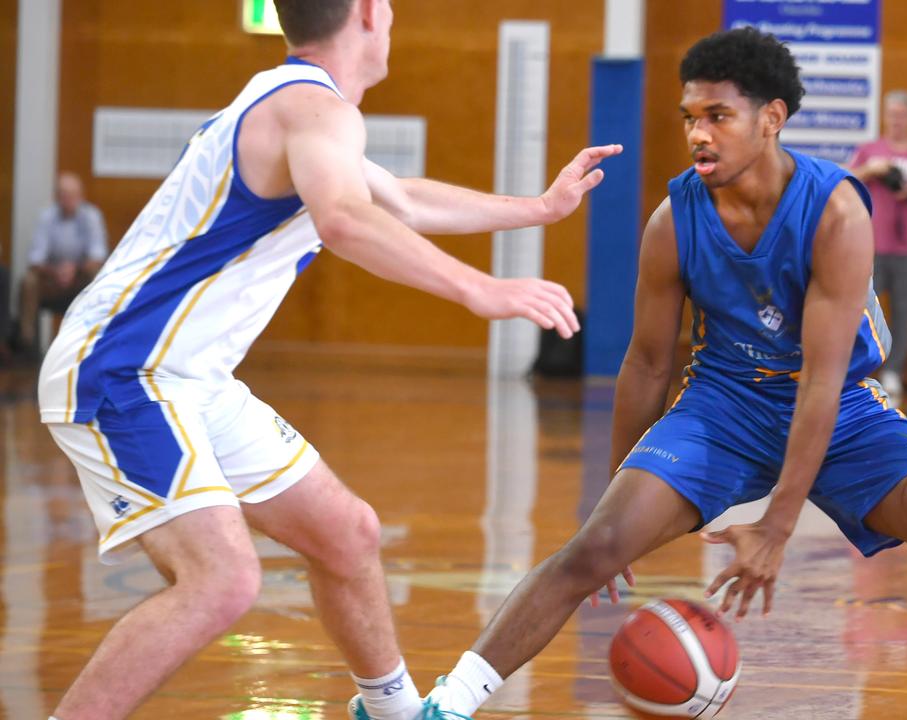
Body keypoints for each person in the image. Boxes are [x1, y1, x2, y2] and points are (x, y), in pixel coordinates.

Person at [35, 1, 619, 719]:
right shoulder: (313, 108)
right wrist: (480, 289)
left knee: (348, 534)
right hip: (125, 367)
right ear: (371, 12)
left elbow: (400, 198)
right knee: (221, 581)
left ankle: (394, 710)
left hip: (188, 378)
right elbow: (345, 220)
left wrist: (536, 208)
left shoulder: (301, 104)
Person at [425, 28, 907, 720]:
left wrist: (776, 526)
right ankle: (444, 704)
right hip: (723, 403)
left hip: (837, 405)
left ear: (771, 119)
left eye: (717, 117)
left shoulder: (837, 213)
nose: (698, 135)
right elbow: (648, 362)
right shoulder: (672, 222)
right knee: (596, 547)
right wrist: (617, 501)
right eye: (689, 118)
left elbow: (822, 382)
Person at [850, 90, 907, 406]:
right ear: (884, 115)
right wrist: (872, 170)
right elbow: (846, 179)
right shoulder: (869, 151)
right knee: (861, 307)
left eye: (902, 114)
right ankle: (859, 369)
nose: (896, 120)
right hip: (871, 243)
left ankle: (894, 371)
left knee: (903, 311)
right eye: (891, 114)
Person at [19, 172, 109, 352]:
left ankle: (97, 337)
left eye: (72, 195)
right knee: (29, 281)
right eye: (63, 195)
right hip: (51, 277)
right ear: (56, 197)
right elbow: (35, 259)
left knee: (98, 277)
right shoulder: (47, 216)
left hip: (80, 277)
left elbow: (98, 255)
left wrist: (73, 270)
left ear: (81, 196)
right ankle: (26, 342)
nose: (67, 200)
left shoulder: (91, 216)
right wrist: (56, 272)